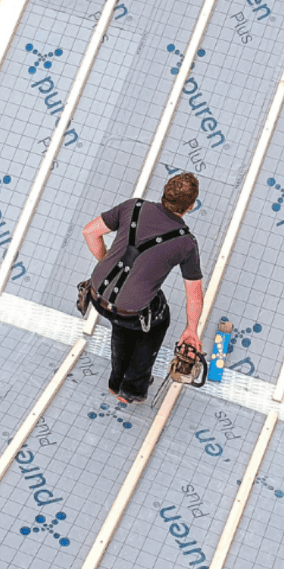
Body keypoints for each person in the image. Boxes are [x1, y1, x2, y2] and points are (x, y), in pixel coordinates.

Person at [81, 173, 204, 404]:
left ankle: (114, 382)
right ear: (191, 206)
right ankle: (132, 389)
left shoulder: (133, 206)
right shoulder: (185, 242)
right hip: (129, 309)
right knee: (158, 319)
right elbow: (194, 292)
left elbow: (90, 232)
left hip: (97, 294)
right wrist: (191, 329)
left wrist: (106, 262)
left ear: (164, 193)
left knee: (124, 320)